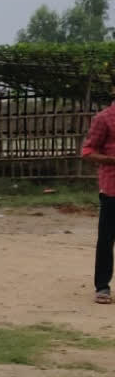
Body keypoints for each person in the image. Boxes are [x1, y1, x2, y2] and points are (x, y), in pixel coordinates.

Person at [82, 95, 115, 303]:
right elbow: (87, 151)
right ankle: (102, 286)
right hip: (112, 188)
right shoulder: (104, 118)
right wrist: (111, 160)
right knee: (106, 239)